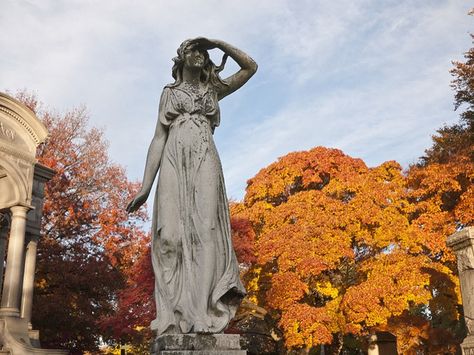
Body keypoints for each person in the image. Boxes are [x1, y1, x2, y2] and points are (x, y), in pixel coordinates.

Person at [127, 37, 257, 335]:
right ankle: (173, 313)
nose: (199, 54)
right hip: (174, 157)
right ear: (182, 58)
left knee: (205, 232)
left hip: (204, 156)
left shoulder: (213, 89)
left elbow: (250, 67)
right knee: (169, 238)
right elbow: (158, 138)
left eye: (203, 51)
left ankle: (200, 313)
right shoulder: (169, 94)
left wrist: (217, 43)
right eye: (193, 49)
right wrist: (146, 187)